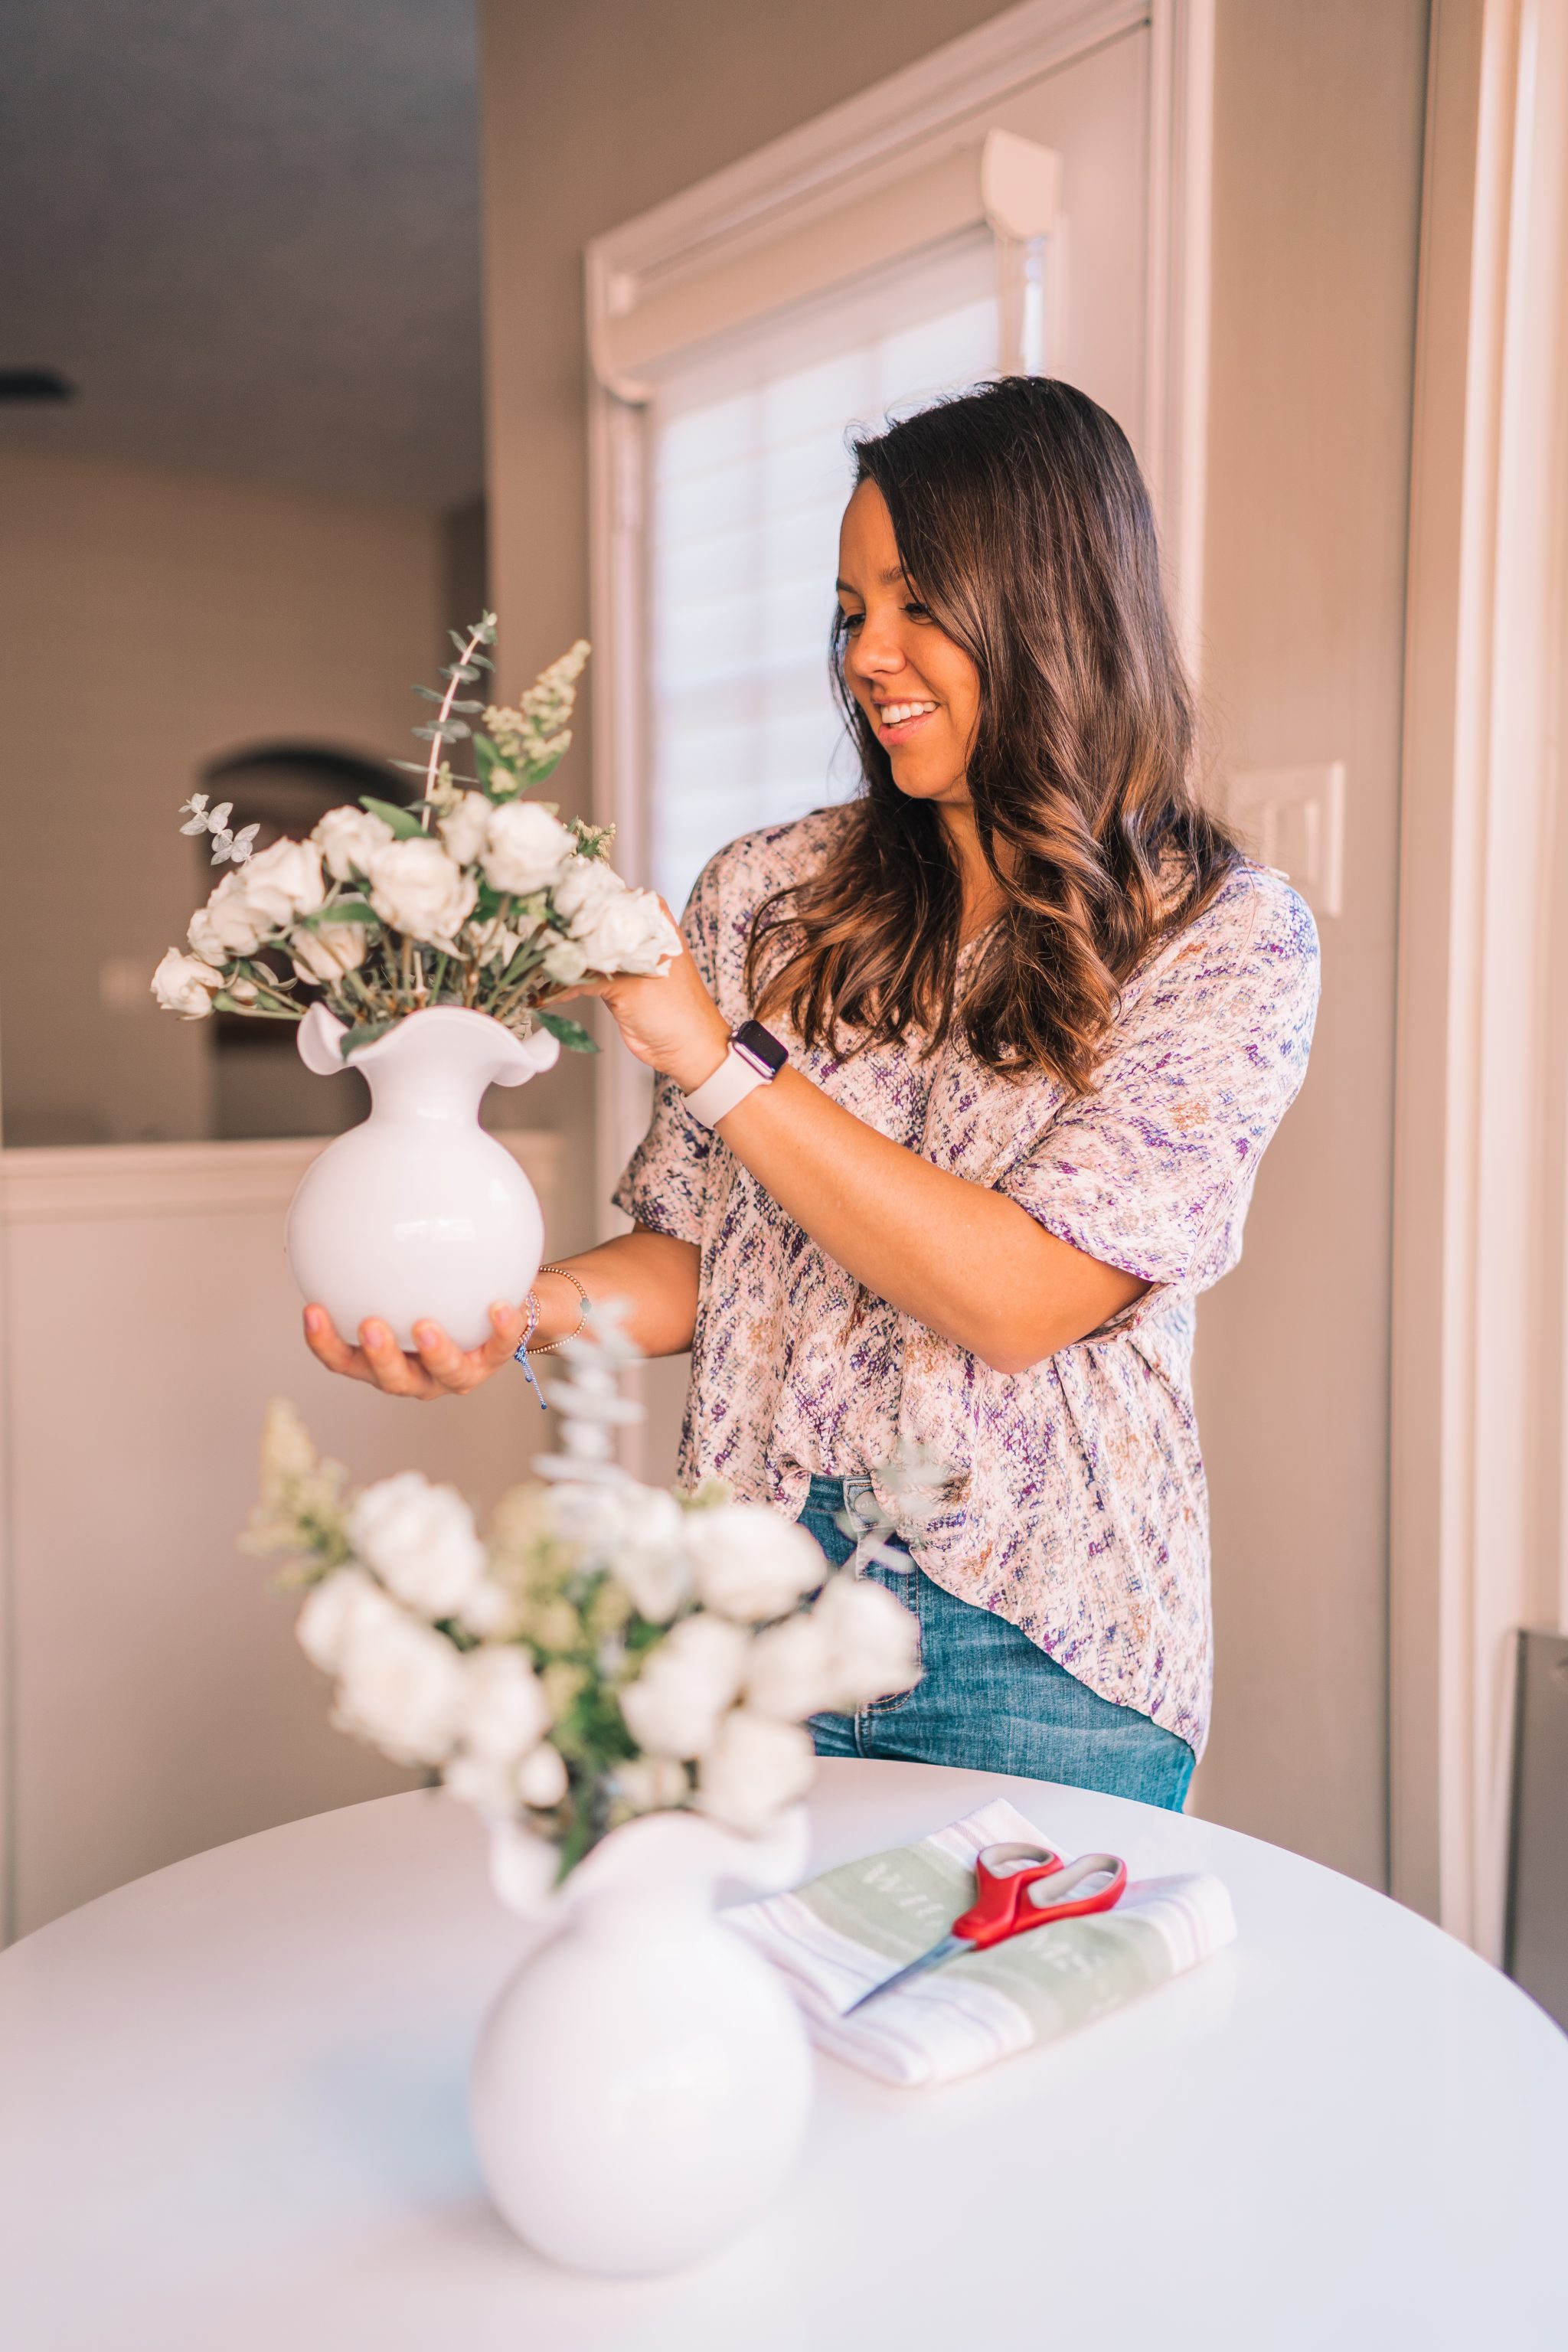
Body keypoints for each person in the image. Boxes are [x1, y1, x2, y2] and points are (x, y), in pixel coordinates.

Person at [305, 377, 1319, 1808]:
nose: (870, 656)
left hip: (1038, 1644)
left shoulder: (1221, 937)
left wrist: (718, 1059)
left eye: (915, 604)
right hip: (743, 1601)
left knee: (1005, 2037)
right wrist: (513, 1310)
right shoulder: (769, 897)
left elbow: (1019, 1300)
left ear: (1054, 605)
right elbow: (702, 1263)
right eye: (851, 611)